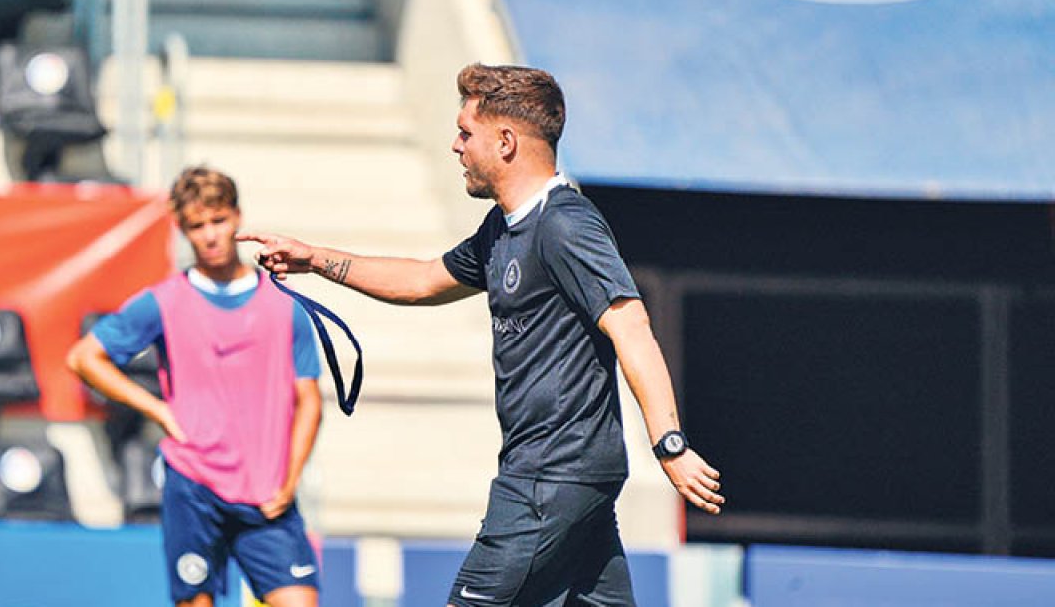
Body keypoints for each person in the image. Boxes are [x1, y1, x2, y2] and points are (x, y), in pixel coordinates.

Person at [243, 63, 724, 606]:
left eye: (465, 133)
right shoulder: (502, 228)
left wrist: (670, 445)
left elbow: (631, 327)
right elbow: (423, 280)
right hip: (564, 477)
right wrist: (315, 260)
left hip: (549, 474)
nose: (456, 146)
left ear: (506, 142)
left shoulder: (565, 224)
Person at [67, 166, 324, 607]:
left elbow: (310, 401)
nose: (210, 235)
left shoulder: (283, 304)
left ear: (237, 217)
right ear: (183, 230)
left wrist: (290, 478)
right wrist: (158, 410)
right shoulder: (164, 301)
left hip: (267, 493)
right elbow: (84, 358)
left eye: (218, 220)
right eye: (197, 226)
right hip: (195, 485)